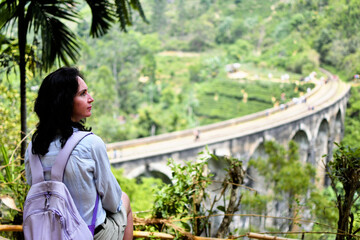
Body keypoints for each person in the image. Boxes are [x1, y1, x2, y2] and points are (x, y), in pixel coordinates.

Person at [24, 67, 133, 240]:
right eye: (83, 94)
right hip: (89, 235)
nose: (91, 99)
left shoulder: (33, 149)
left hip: (47, 235)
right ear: (65, 101)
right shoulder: (91, 144)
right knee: (124, 200)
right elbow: (112, 202)